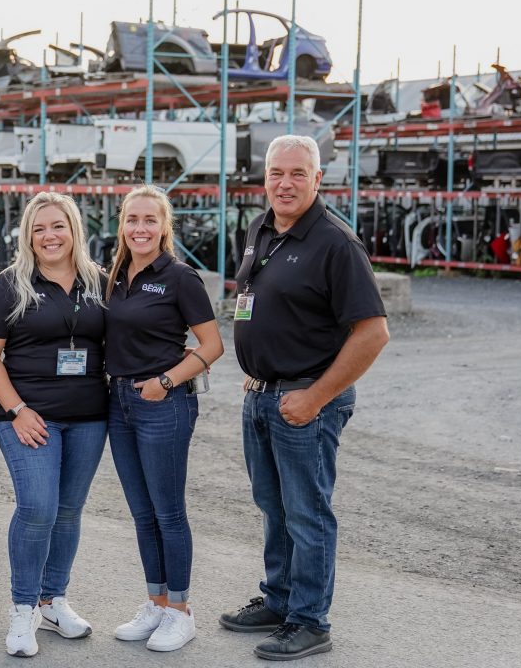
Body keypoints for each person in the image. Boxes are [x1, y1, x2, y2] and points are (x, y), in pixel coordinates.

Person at [219, 135, 389, 661]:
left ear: (318, 180)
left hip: (306, 406)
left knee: (307, 513)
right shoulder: (261, 227)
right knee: (274, 507)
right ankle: (280, 599)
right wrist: (260, 373)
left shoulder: (336, 243)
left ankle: (311, 621)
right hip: (264, 397)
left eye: (297, 174)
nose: (285, 183)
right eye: (276, 173)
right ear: (264, 177)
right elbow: (255, 303)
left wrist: (314, 397)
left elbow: (373, 332)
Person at [0, 192, 108, 658]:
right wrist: (16, 409)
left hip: (89, 418)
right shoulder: (11, 284)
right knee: (37, 509)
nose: (49, 236)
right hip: (27, 416)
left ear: (74, 229)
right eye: (39, 228)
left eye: (58, 226)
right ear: (27, 236)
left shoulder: (99, 282)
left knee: (68, 511)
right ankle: (23, 608)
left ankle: (53, 601)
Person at [103, 185, 224, 652]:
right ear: (122, 225)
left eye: (149, 220)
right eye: (132, 219)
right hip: (118, 403)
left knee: (168, 512)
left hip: (163, 404)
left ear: (164, 226)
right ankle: (155, 602)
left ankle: (180, 610)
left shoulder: (180, 278)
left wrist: (167, 382)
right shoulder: (112, 274)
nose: (140, 228)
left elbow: (212, 347)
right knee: (141, 513)